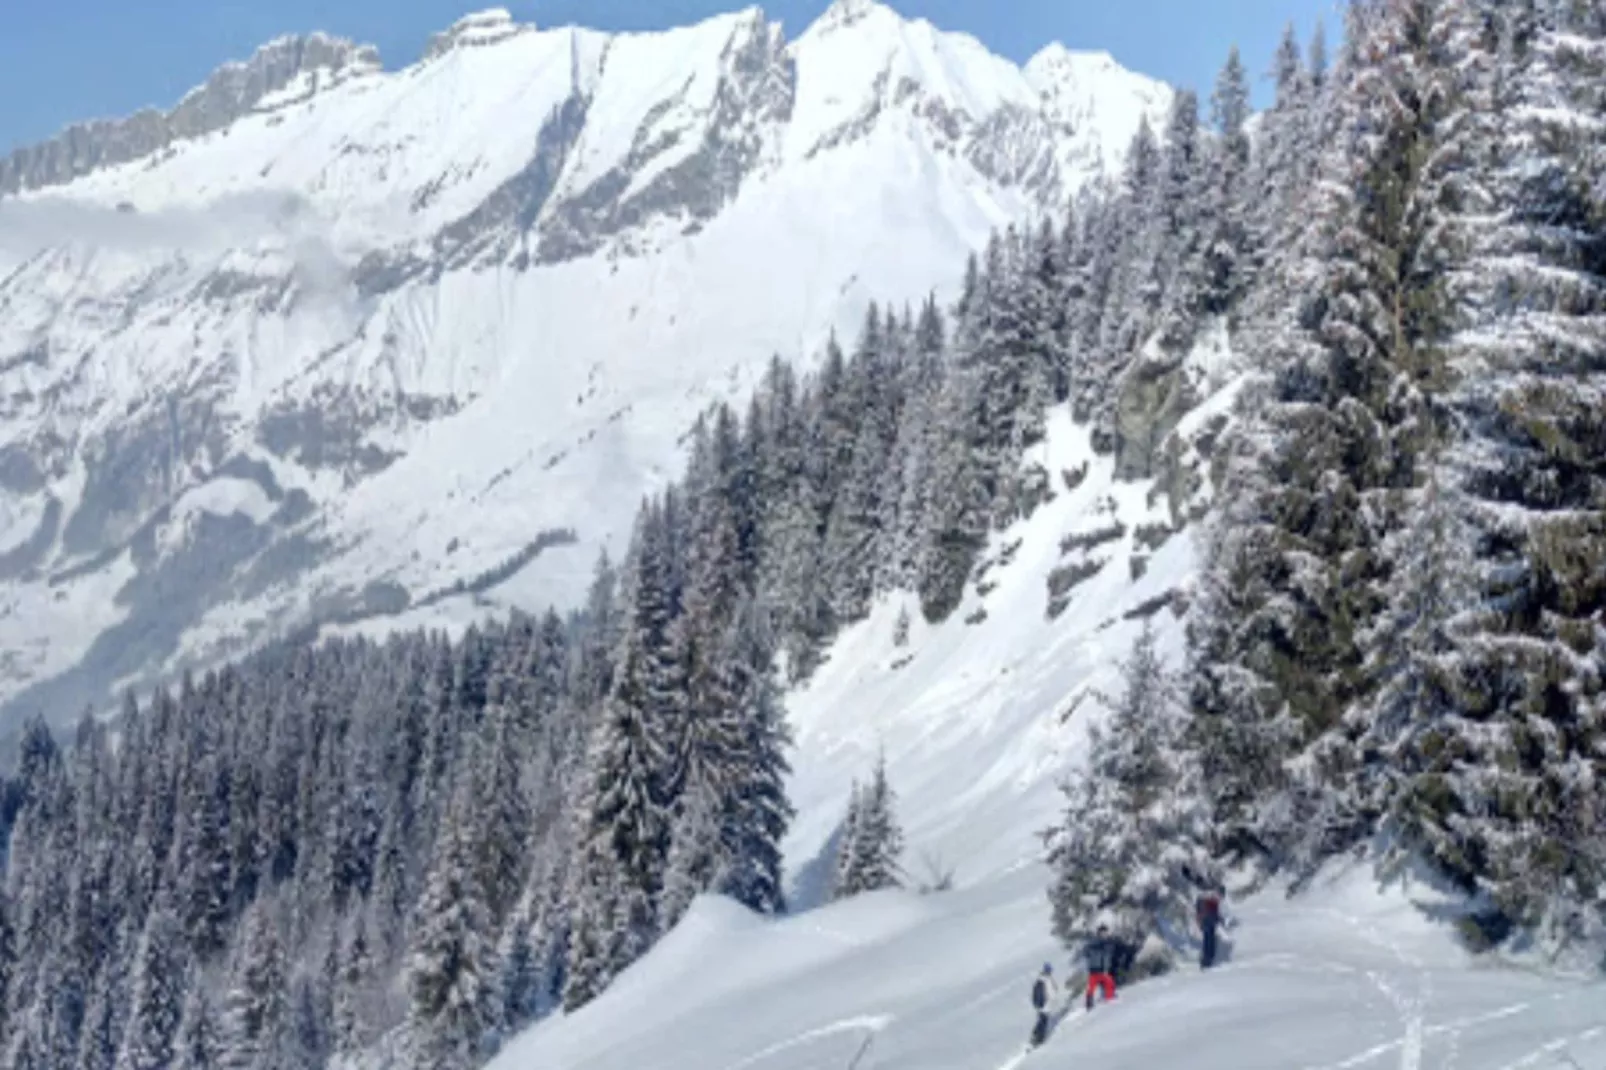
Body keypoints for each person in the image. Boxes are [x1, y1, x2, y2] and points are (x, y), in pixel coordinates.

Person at [1083, 926, 1118, 1009]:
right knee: (1092, 986)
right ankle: (1089, 1002)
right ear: (1099, 933)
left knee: (1109, 983)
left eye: (1106, 933)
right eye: (1103, 933)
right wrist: (1096, 948)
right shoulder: (1094, 942)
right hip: (1095, 968)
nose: (1105, 934)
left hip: (1103, 969)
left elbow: (1109, 954)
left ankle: (1109, 999)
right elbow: (1086, 951)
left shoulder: (1108, 943)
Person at [1029, 962, 1060, 1047]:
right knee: (1043, 1021)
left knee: (1042, 1020)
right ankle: (1038, 1038)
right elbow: (1050, 992)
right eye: (1049, 970)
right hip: (1045, 1004)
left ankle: (1036, 1035)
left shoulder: (1043, 979)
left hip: (1043, 1004)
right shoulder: (1045, 980)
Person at [1196, 885, 1223, 969]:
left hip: (1207, 921)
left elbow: (1200, 912)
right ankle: (1207, 960)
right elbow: (1213, 911)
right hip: (1208, 921)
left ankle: (1206, 959)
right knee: (1209, 939)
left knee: (1208, 939)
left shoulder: (1204, 899)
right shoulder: (1210, 899)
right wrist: (1217, 918)